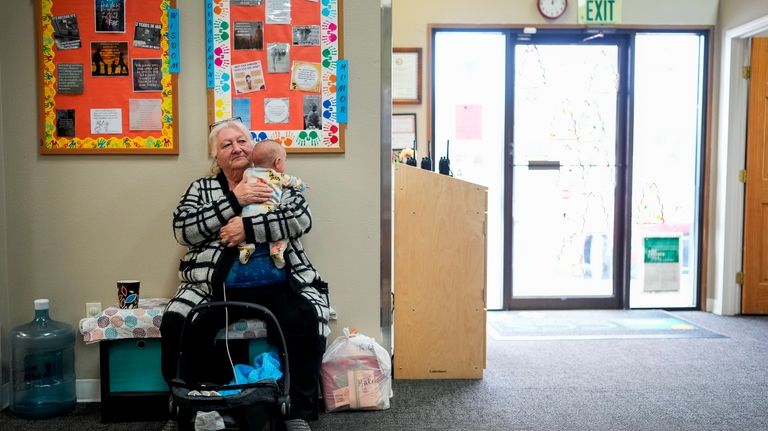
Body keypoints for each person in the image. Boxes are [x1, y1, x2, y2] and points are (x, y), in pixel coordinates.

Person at [161, 118, 330, 430]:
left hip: (279, 281)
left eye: (242, 141)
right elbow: (183, 230)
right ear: (216, 156)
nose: (236, 148)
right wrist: (234, 202)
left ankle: (298, 412)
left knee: (306, 316)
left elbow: (300, 219)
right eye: (227, 144)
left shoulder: (277, 179)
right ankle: (185, 409)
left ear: (253, 148)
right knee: (178, 321)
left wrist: (247, 227)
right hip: (212, 286)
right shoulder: (203, 188)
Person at [238, 140, 305, 268]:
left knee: (244, 230)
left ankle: (246, 247)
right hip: (268, 212)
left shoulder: (247, 173)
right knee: (280, 233)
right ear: (278, 162)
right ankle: (277, 250)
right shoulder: (277, 176)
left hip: (248, 212)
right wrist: (302, 185)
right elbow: (293, 181)